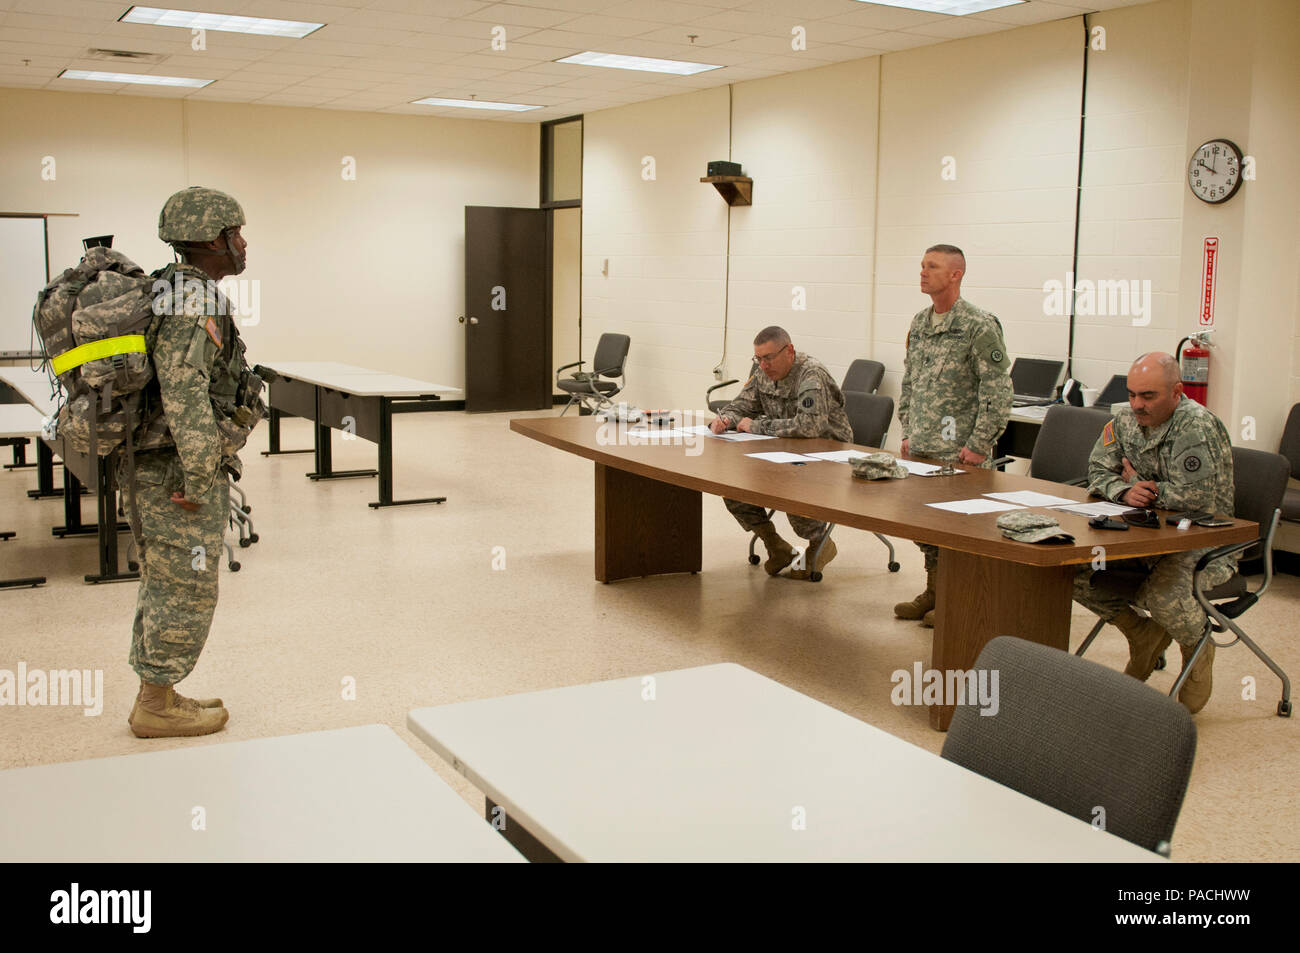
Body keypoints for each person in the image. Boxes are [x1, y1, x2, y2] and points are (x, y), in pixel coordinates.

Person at [126, 186, 263, 738]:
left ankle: (158, 691)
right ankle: (155, 708)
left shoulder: (175, 287)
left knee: (166, 582)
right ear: (213, 238)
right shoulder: (193, 300)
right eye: (237, 233)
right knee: (185, 585)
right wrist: (201, 475)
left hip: (159, 464)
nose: (244, 243)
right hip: (174, 472)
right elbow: (185, 392)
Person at [1072, 352, 1234, 713]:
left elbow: (1196, 497)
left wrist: (1143, 485)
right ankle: (1141, 635)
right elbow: (1096, 469)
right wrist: (1124, 489)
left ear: (1177, 391)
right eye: (1132, 395)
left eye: (1148, 396)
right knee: (1070, 571)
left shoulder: (1195, 426)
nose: (1137, 405)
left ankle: (1198, 645)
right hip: (1144, 536)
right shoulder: (1125, 419)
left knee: (1162, 596)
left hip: (1202, 543)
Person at [894, 244, 1013, 626]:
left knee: (957, 532)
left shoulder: (979, 325)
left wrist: (979, 445)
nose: (924, 272)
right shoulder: (920, 322)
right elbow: (910, 380)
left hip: (960, 453)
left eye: (933, 266)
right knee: (925, 527)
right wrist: (908, 429)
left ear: (956, 274)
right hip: (923, 447)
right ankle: (935, 589)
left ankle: (955, 600)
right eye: (922, 266)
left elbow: (996, 389)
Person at [710, 326, 852, 579]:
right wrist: (726, 420)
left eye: (768, 358)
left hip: (827, 453)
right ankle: (775, 544)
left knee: (789, 488)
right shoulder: (763, 373)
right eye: (758, 359)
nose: (763, 365)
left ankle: (820, 542)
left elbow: (809, 427)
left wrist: (757, 426)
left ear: (789, 351)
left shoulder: (811, 374)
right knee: (732, 486)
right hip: (784, 449)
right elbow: (743, 405)